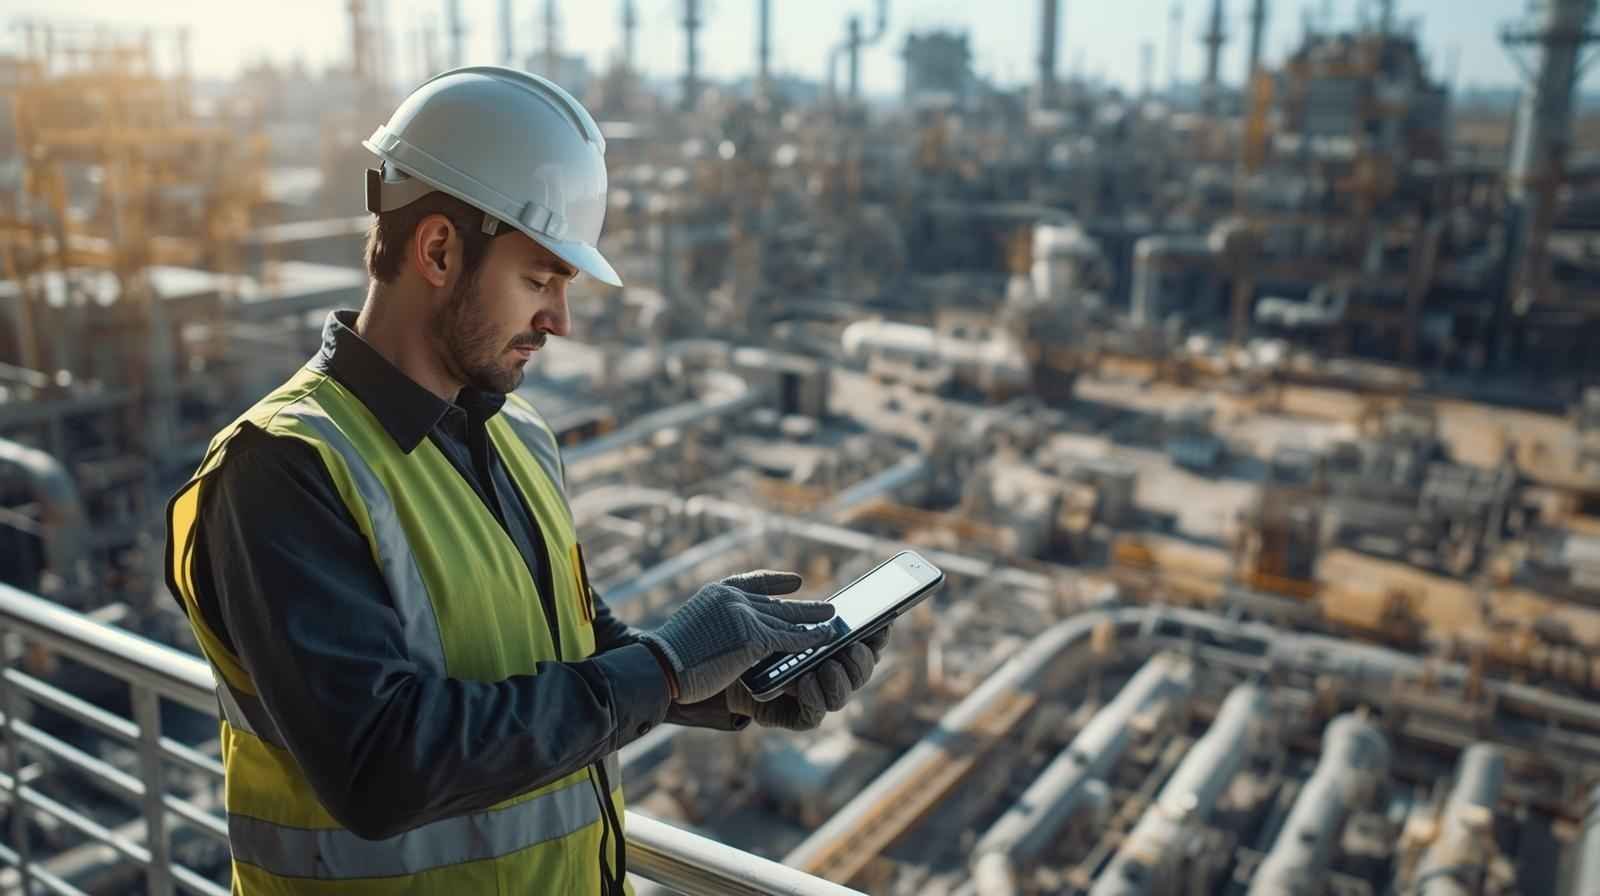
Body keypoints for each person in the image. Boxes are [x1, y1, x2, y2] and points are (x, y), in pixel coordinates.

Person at [164, 66, 890, 895]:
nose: (560, 320)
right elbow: (380, 766)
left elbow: (577, 657)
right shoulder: (284, 470)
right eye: (539, 280)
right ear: (437, 249)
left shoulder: (520, 439)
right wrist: (661, 669)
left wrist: (727, 688)